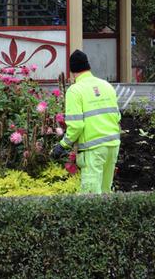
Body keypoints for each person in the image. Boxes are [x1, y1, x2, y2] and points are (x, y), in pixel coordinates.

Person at [51, 50, 122, 193]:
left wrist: (63, 145)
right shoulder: (106, 86)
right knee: (105, 192)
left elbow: (76, 126)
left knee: (91, 197)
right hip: (113, 145)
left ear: (72, 71)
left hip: (93, 148)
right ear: (88, 67)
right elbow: (117, 117)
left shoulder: (75, 90)